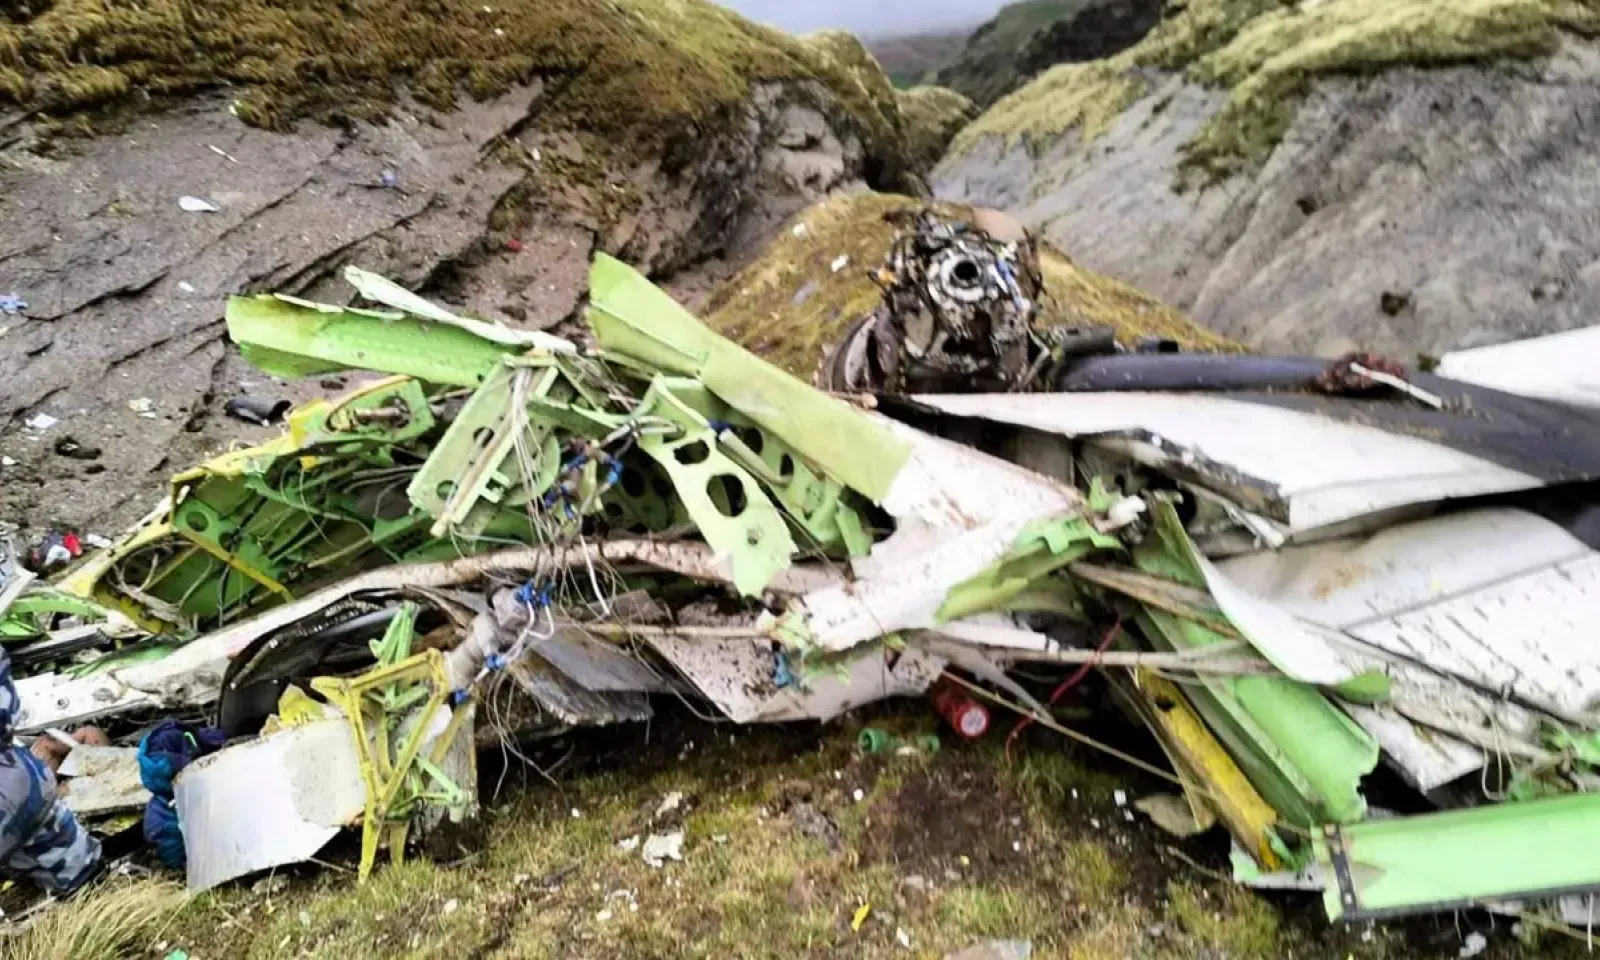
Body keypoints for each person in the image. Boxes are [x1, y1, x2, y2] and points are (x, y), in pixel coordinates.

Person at [0, 646, 102, 893]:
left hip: (14, 796)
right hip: (18, 788)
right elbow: (7, 714)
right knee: (80, 870)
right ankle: (82, 877)